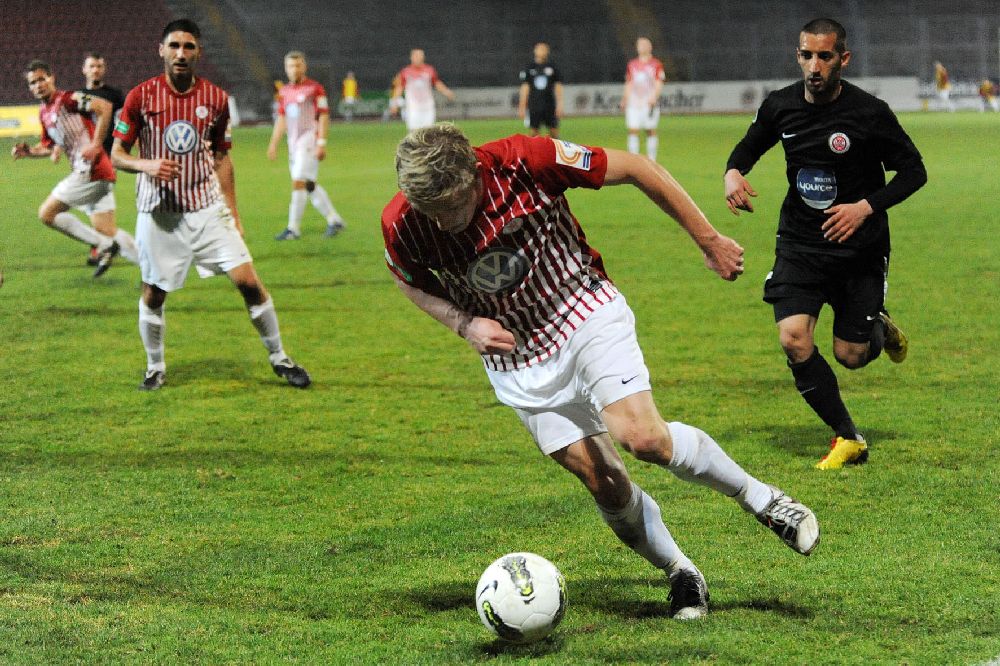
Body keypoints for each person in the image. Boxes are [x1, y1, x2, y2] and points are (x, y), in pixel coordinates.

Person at [383, 123, 820, 620]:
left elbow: (636, 168)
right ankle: (681, 572)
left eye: (449, 209)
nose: (440, 224)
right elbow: (407, 280)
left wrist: (709, 240)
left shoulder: (528, 160)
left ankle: (761, 499)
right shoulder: (402, 222)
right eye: (429, 212)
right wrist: (464, 324)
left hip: (581, 310)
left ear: (474, 176)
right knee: (606, 483)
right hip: (517, 355)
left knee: (644, 439)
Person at [724, 18, 927, 469]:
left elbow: (915, 171)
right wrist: (732, 173)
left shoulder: (869, 112)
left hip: (860, 249)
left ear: (843, 59)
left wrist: (865, 207)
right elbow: (747, 149)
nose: (813, 66)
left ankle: (880, 327)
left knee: (851, 355)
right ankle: (848, 437)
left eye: (824, 57)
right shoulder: (780, 106)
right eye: (806, 55)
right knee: (794, 339)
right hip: (801, 244)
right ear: (798, 56)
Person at [110, 19, 311, 391]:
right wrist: (146, 164)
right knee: (154, 293)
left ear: (199, 52)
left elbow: (222, 158)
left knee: (249, 282)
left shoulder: (216, 99)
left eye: (188, 47)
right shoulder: (140, 97)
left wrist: (233, 213)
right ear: (162, 50)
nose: (181, 53)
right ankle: (155, 367)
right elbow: (117, 154)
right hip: (159, 214)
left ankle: (280, 358)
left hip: (206, 208)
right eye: (174, 46)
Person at [12, 59, 138, 278]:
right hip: (96, 173)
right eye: (33, 83)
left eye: (42, 79)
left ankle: (105, 246)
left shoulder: (69, 98)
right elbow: (49, 147)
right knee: (108, 230)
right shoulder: (44, 112)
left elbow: (104, 108)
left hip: (92, 171)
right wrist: (29, 152)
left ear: (52, 78)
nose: (38, 85)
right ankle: (151, 269)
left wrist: (97, 143)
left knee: (47, 213)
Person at [267, 51, 346, 241]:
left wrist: (321, 143)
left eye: (298, 65)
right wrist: (273, 143)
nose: (294, 69)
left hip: (309, 141)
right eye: (291, 66)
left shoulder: (315, 88)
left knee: (298, 183)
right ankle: (334, 219)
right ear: (286, 69)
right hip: (293, 145)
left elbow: (324, 115)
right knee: (309, 185)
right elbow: (282, 119)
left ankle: (293, 229)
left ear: (304, 67)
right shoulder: (284, 92)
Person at [81, 51, 127, 266]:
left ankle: (103, 246)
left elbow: (125, 122)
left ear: (104, 69)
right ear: (84, 70)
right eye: (92, 66)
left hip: (107, 157)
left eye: (99, 66)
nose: (96, 70)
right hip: (83, 158)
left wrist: (126, 144)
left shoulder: (115, 96)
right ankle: (101, 244)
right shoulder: (78, 96)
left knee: (97, 200)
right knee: (94, 203)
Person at [622, 37, 665, 161]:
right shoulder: (632, 64)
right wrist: (625, 98)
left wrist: (654, 97)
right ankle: (633, 159)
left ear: (650, 47)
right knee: (632, 129)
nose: (641, 47)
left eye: (644, 44)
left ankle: (652, 160)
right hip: (634, 103)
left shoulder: (656, 64)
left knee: (650, 129)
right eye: (639, 45)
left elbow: (659, 82)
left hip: (649, 103)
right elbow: (629, 82)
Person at [390, 49, 455, 131]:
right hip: (413, 107)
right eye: (416, 56)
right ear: (411, 57)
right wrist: (394, 103)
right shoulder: (405, 72)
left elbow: (436, 83)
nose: (418, 58)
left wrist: (446, 92)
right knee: (413, 132)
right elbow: (399, 87)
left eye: (420, 56)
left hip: (427, 106)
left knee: (428, 132)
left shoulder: (429, 70)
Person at [518, 42, 563, 138]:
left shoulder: (552, 67)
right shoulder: (529, 68)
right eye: (540, 49)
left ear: (547, 51)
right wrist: (522, 105)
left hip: (549, 104)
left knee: (554, 131)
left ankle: (556, 151)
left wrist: (560, 104)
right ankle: (535, 152)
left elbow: (558, 86)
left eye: (544, 49)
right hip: (534, 104)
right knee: (534, 132)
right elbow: (525, 87)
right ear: (535, 51)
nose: (542, 51)